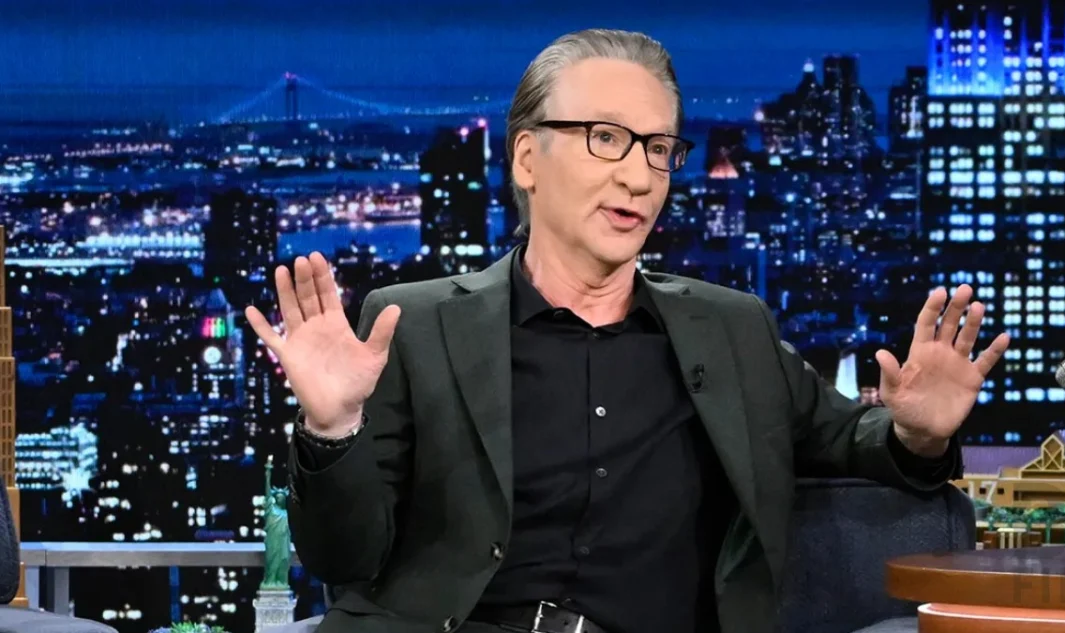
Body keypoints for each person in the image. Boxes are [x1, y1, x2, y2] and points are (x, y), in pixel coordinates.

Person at [246, 28, 1010, 633]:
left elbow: (855, 440)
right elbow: (342, 555)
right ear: (527, 159)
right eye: (606, 138)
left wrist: (918, 432)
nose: (640, 177)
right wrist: (332, 430)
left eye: (659, 148)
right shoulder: (413, 325)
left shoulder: (733, 331)